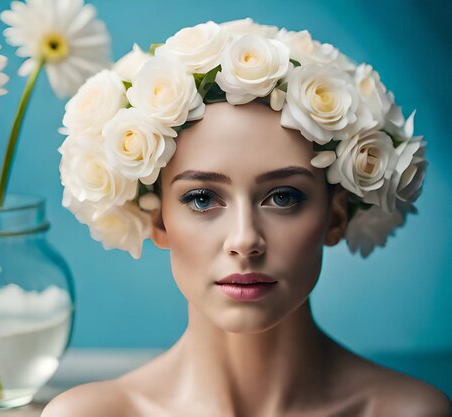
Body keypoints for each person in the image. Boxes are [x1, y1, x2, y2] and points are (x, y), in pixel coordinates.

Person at [44, 19, 452, 417]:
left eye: (283, 197)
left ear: (335, 217)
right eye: (202, 199)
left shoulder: (408, 411)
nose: (244, 240)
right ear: (158, 221)